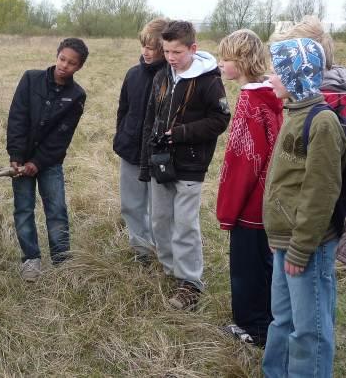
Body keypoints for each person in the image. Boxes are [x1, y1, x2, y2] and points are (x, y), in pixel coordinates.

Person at [262, 37, 345, 377]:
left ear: (297, 74)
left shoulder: (321, 122)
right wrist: (278, 234)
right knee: (282, 318)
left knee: (308, 327)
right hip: (286, 240)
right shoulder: (293, 112)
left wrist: (299, 248)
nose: (270, 78)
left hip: (306, 245)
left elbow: (320, 191)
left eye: (277, 71)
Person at [139, 20, 230, 310]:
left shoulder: (209, 80)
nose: (170, 58)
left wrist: (179, 134)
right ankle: (171, 270)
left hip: (191, 164)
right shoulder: (163, 75)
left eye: (176, 52)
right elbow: (151, 119)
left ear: (193, 48)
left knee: (185, 225)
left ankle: (190, 283)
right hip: (160, 162)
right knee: (160, 220)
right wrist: (147, 161)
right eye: (166, 51)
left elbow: (220, 120)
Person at [215, 29, 283, 346]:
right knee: (264, 264)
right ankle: (269, 320)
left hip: (252, 204)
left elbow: (244, 161)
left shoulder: (250, 100)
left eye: (225, 59)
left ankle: (253, 328)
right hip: (271, 200)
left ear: (240, 62)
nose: (220, 64)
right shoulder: (273, 95)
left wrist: (228, 210)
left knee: (246, 268)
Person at [6, 38, 88, 281]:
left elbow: (62, 135)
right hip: (20, 161)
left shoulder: (76, 95)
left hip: (50, 163)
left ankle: (62, 261)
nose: (65, 66)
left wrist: (38, 163)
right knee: (23, 208)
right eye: (62, 59)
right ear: (57, 55)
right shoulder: (30, 79)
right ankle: (31, 259)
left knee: (57, 209)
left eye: (72, 63)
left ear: (79, 67)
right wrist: (17, 156)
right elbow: (17, 118)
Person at [113, 18, 168, 262]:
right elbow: (123, 109)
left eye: (152, 47)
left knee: (160, 211)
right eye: (144, 46)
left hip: (159, 155)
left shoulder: (173, 78)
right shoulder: (132, 74)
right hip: (131, 151)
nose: (146, 51)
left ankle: (165, 253)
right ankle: (142, 253)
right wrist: (122, 134)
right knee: (131, 205)